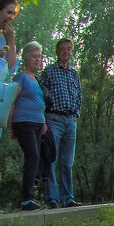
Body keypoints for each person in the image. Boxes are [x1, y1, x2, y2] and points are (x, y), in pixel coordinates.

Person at [39, 37, 83, 208]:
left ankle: (68, 198)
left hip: (70, 120)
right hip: (54, 118)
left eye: (69, 48)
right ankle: (52, 199)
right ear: (57, 52)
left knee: (67, 161)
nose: (66, 51)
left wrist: (76, 114)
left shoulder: (74, 73)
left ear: (72, 51)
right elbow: (41, 92)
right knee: (51, 158)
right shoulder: (49, 71)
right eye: (63, 48)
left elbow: (79, 95)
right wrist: (44, 117)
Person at [7, 41, 47, 211]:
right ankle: (26, 199)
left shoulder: (36, 80)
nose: (37, 60)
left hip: (38, 124)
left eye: (39, 56)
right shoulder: (21, 77)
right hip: (23, 122)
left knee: (36, 157)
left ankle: (31, 195)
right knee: (32, 155)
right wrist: (10, 126)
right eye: (34, 56)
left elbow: (40, 102)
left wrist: (44, 121)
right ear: (25, 58)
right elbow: (11, 102)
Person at [0, 0, 19, 215]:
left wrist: (10, 42)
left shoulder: (6, 39)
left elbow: (11, 70)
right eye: (8, 12)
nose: (10, 17)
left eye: (14, 14)